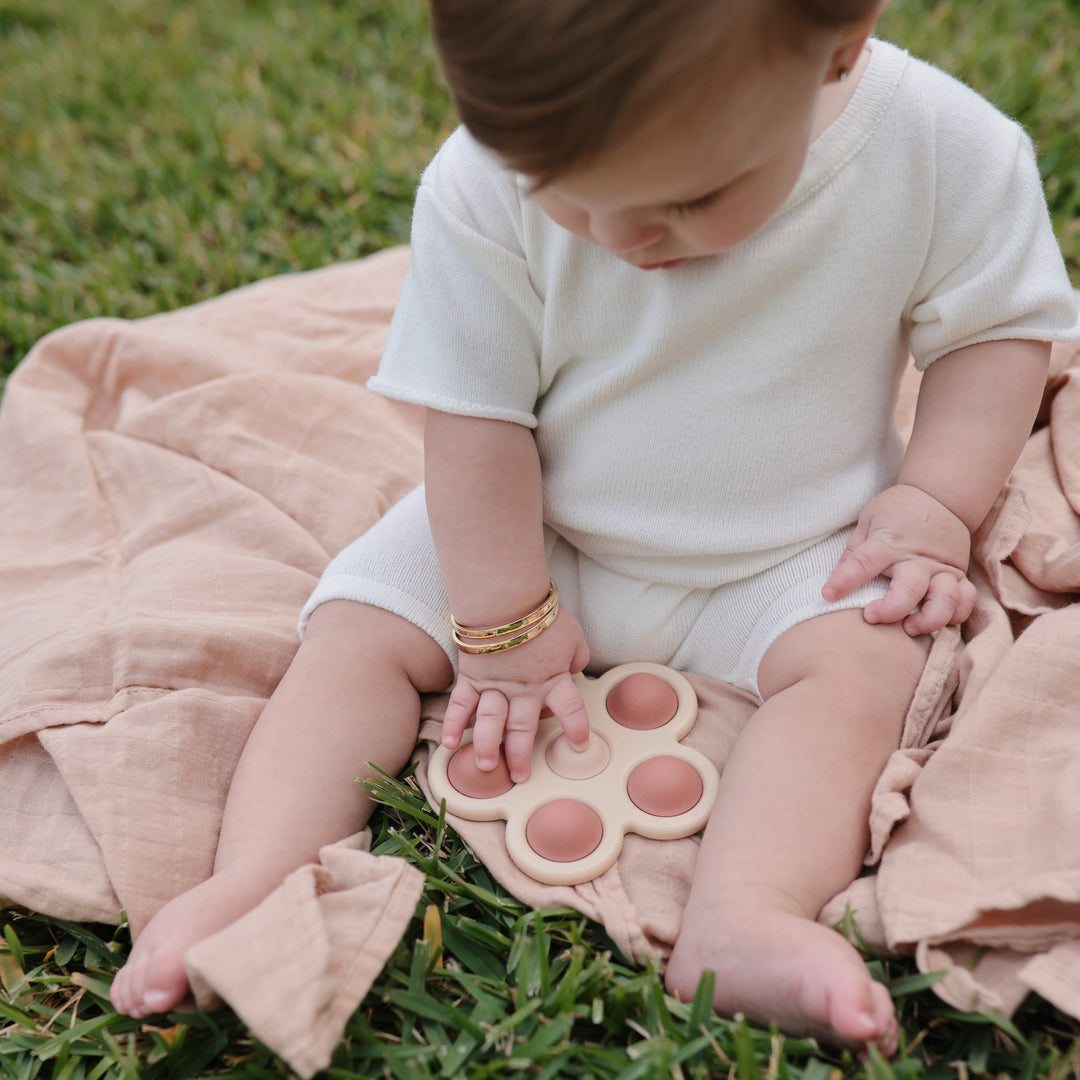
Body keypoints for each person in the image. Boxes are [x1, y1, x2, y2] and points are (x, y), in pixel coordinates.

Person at [111, 0, 1080, 1050]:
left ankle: (746, 915)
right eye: (562, 191)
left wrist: (934, 503)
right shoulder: (480, 181)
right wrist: (503, 619)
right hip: (532, 529)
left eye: (689, 198)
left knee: (867, 669)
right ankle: (258, 874)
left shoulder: (942, 147)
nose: (619, 237)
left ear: (838, 44)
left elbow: (991, 335)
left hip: (801, 545)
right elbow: (476, 422)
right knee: (357, 633)